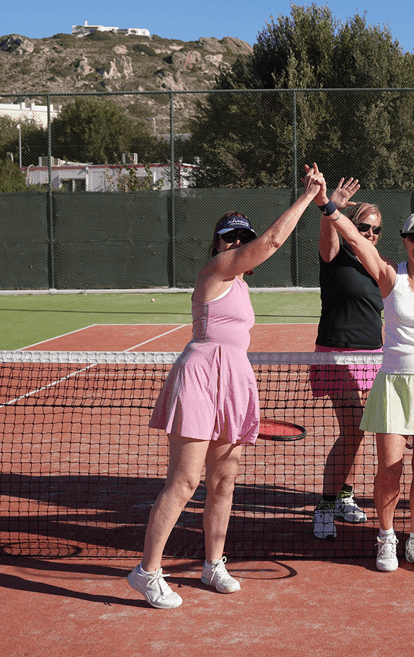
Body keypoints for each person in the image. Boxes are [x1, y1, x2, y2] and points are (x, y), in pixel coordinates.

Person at [128, 166, 326, 609]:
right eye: (230, 238)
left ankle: (213, 563)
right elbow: (271, 243)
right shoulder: (214, 273)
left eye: (242, 237)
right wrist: (306, 197)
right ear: (218, 245)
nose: (237, 244)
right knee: (184, 481)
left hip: (233, 380)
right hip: (200, 376)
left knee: (224, 481)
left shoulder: (239, 286)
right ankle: (147, 572)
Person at [323, 201, 414, 573]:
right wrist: (329, 206)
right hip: (393, 385)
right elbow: (356, 240)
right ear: (405, 242)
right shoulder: (391, 276)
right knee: (390, 468)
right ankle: (387, 539)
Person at [309, 178, 385, 539]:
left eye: (375, 229)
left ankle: (343, 495)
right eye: (364, 226)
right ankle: (325, 505)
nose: (369, 233)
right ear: (353, 225)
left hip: (374, 357)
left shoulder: (378, 265)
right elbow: (328, 237)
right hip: (337, 354)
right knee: (353, 428)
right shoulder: (335, 255)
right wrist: (330, 208)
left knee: (358, 431)